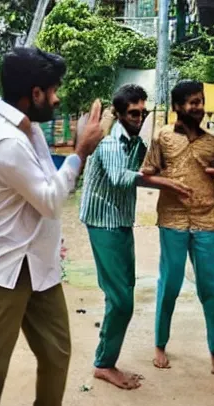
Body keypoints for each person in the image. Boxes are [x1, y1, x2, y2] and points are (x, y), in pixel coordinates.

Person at [0, 47, 103, 406]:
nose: (57, 99)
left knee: (56, 351)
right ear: (33, 92)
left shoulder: (28, 128)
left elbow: (43, 195)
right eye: (53, 90)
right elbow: (51, 199)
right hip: (2, 270)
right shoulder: (5, 141)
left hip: (37, 264)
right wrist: (80, 151)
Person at [80, 84, 191, 390]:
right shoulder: (112, 143)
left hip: (121, 221)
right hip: (103, 222)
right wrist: (168, 185)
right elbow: (121, 179)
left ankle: (106, 359)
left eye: (143, 113)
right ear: (118, 114)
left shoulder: (134, 142)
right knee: (121, 300)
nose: (139, 118)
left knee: (121, 292)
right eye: (133, 113)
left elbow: (150, 168)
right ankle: (104, 364)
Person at [142, 80, 214, 379]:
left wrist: (212, 174)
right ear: (178, 106)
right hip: (172, 219)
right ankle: (160, 344)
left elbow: (206, 171)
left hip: (206, 218)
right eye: (192, 102)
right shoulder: (162, 137)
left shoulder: (211, 141)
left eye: (201, 100)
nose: (199, 106)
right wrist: (167, 182)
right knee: (170, 284)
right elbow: (146, 174)